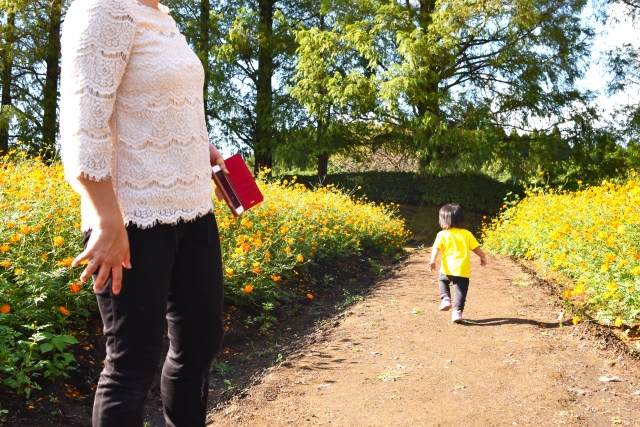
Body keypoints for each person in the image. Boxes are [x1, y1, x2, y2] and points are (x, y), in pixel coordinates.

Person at [59, 0, 226, 425]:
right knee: (131, 364)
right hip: (131, 219)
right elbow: (84, 124)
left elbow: (153, 100)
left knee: (200, 346)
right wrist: (106, 219)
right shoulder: (102, 9)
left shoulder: (162, 16)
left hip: (194, 211)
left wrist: (195, 145)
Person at [428, 204, 487, 323]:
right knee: (460, 291)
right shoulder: (467, 234)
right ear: (461, 219)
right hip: (462, 270)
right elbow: (476, 248)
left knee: (442, 281)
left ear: (443, 220)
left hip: (447, 269)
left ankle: (445, 298)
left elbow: (437, 249)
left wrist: (433, 261)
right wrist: (483, 257)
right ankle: (457, 313)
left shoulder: (442, 234)